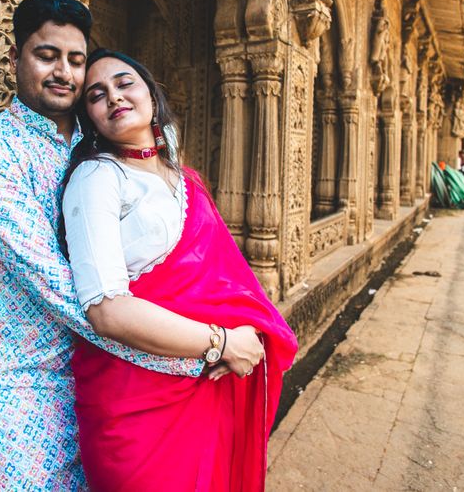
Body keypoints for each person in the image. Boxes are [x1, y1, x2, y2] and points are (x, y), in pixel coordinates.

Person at [0, 0, 216, 491]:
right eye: (46, 56)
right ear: (15, 60)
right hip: (20, 387)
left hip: (105, 378)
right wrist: (199, 351)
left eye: (75, 59)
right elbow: (61, 286)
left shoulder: (101, 146)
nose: (63, 71)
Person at [61, 48, 298, 491]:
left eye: (124, 83)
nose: (113, 97)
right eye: (96, 95)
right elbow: (107, 310)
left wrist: (242, 337)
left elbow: (225, 279)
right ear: (88, 117)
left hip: (203, 384)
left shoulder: (184, 179)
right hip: (135, 403)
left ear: (151, 92)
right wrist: (222, 342)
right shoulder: (98, 177)